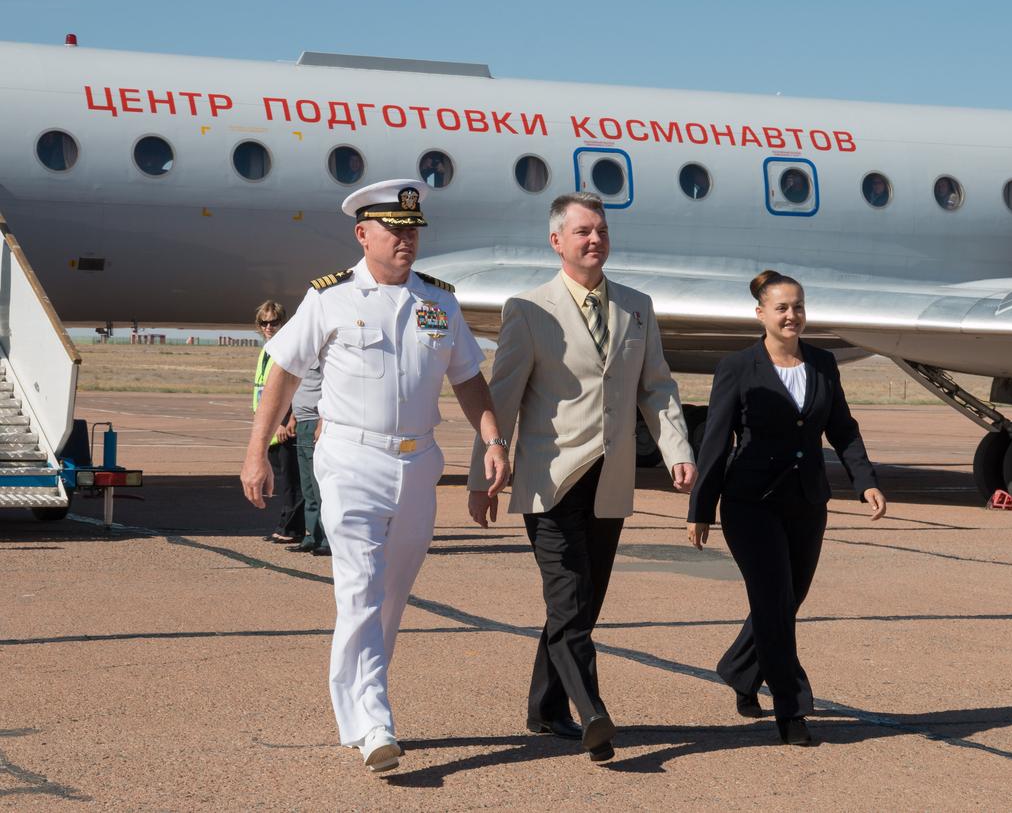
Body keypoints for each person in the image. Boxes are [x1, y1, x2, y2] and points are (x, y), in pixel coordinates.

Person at [240, 179, 510, 775]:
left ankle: (355, 709)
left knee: (392, 594)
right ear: (363, 234)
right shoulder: (329, 297)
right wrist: (257, 449)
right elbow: (283, 371)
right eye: (394, 230)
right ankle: (374, 719)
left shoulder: (439, 301)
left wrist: (492, 440)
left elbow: (468, 377)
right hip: (349, 458)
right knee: (359, 585)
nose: (407, 240)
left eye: (413, 230)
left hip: (418, 464)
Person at [466, 192, 696, 763]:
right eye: (582, 232)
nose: (595, 240)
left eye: (601, 231)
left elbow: (657, 387)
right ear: (557, 242)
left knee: (582, 604)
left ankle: (544, 708)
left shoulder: (637, 307)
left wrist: (676, 450)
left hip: (610, 480)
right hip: (551, 481)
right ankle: (590, 712)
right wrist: (482, 475)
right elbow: (504, 397)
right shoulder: (528, 308)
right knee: (568, 602)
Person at [686, 270, 888, 746]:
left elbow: (842, 427)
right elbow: (716, 440)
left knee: (787, 599)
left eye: (798, 306)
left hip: (806, 502)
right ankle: (792, 708)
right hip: (749, 503)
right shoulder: (738, 366)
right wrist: (701, 508)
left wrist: (865, 482)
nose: (791, 315)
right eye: (781, 307)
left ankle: (739, 669)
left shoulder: (822, 363)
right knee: (774, 601)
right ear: (761, 314)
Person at [252, 301, 303, 544]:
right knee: (286, 479)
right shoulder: (268, 349)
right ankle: (287, 525)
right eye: (264, 322)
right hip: (271, 427)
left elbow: (292, 387)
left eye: (274, 322)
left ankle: (290, 529)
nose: (269, 327)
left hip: (282, 426)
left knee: (292, 482)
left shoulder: (286, 349)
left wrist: (286, 420)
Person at [286, 362, 329, 556]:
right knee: (308, 488)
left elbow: (330, 390)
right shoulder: (303, 357)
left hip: (315, 422)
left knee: (319, 487)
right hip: (302, 422)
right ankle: (311, 536)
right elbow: (299, 388)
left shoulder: (322, 357)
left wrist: (322, 422)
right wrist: (293, 417)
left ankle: (327, 540)